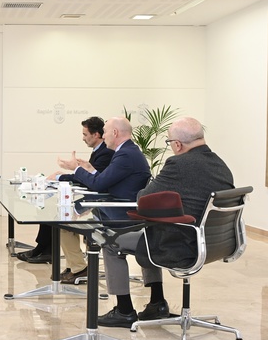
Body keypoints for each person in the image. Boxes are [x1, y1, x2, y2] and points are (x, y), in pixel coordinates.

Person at [94, 117, 234, 328]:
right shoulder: (221, 165)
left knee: (111, 241)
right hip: (215, 244)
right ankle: (156, 303)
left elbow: (143, 199)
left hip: (182, 245)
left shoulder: (178, 164)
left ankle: (123, 311)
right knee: (150, 231)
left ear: (177, 145)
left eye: (169, 143)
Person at [17, 117, 114, 285]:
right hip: (94, 198)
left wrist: (63, 175)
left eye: (85, 134)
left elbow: (93, 180)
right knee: (58, 216)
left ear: (96, 134)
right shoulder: (100, 151)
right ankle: (70, 265)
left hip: (101, 202)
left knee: (64, 223)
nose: (83, 138)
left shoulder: (105, 152)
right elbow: (90, 176)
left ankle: (78, 268)